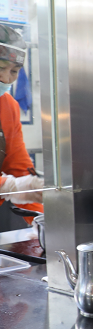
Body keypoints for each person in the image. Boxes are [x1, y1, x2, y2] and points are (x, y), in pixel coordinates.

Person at [0, 24, 44, 232]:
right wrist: (8, 186)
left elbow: (18, 167)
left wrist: (41, 222)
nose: (6, 78)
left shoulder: (8, 106)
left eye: (14, 71)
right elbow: (14, 184)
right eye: (0, 68)